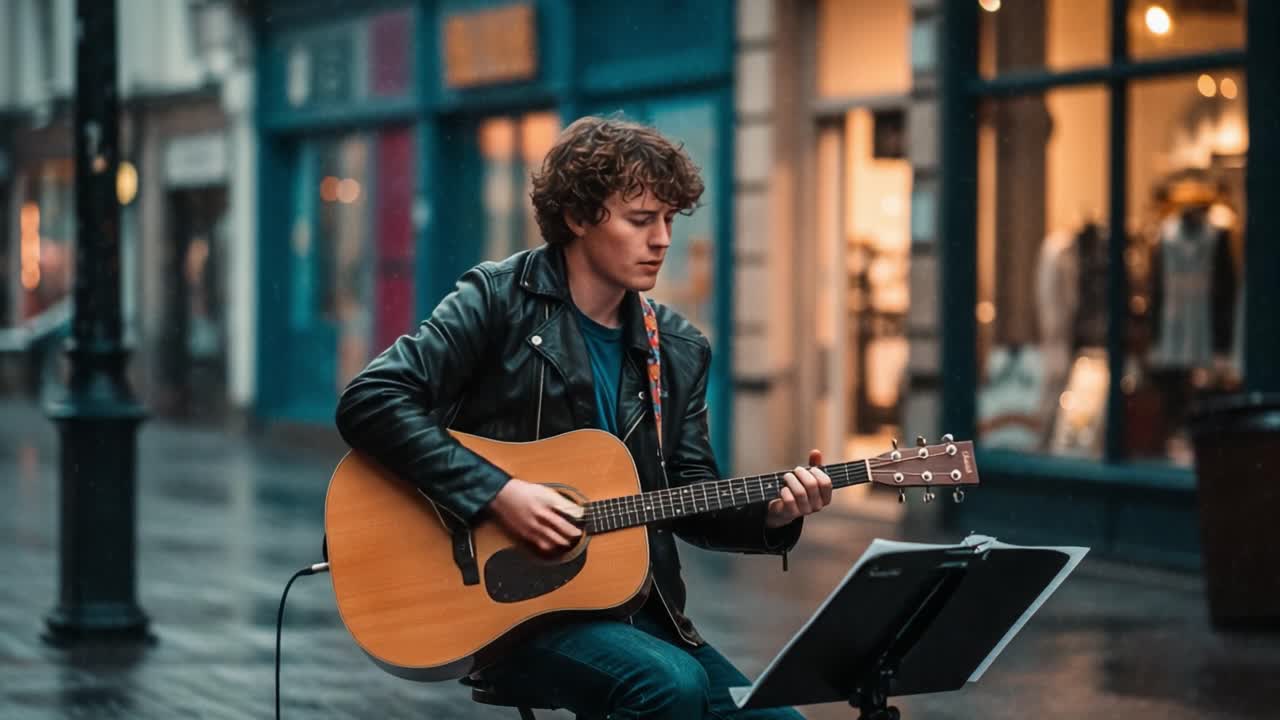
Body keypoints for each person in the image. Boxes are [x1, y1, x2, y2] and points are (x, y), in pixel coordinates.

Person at [335, 116, 832, 719]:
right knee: (667, 687)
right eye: (641, 220)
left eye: (670, 220)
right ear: (577, 218)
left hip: (640, 608)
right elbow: (372, 399)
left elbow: (689, 493)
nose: (663, 240)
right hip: (516, 611)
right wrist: (498, 494)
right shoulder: (498, 300)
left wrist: (772, 515)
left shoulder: (676, 348)